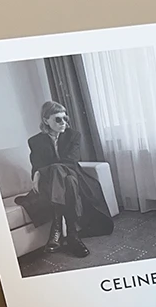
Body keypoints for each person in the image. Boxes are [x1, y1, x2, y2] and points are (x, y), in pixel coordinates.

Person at [15, 100, 114, 258]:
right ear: (46, 120)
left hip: (73, 174)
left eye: (65, 118)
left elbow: (70, 161)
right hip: (51, 183)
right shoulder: (35, 141)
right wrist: (39, 172)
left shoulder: (73, 135)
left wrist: (40, 172)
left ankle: (57, 229)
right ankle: (73, 236)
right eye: (58, 119)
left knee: (65, 175)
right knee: (68, 182)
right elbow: (37, 164)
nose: (63, 122)